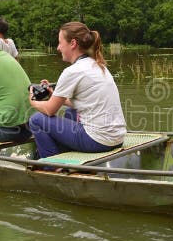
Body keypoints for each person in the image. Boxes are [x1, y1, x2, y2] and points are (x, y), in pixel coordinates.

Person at [28, 21, 127, 159]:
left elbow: (50, 110)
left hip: (98, 141)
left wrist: (32, 101)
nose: (58, 48)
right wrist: (54, 95)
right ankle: (63, 151)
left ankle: (52, 166)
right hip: (117, 138)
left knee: (37, 120)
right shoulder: (98, 65)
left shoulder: (72, 71)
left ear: (73, 43)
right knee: (70, 112)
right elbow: (85, 103)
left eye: (60, 42)